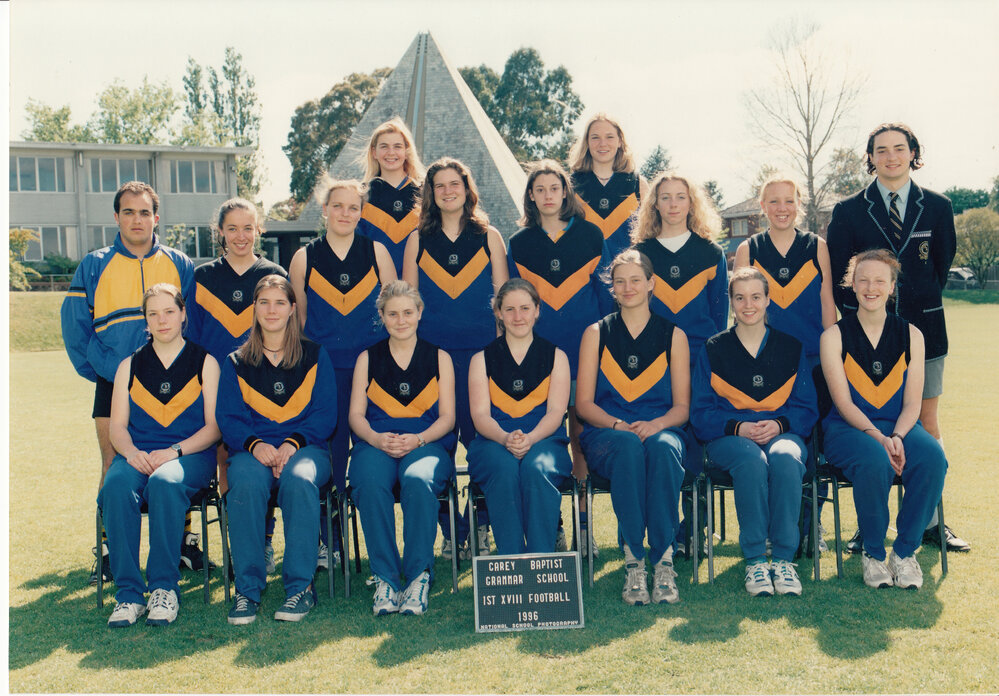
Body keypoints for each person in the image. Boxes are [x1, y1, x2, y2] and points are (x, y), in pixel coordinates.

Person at [826, 122, 968, 552]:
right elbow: (838, 279)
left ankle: (928, 522)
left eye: (899, 149)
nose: (891, 157)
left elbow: (939, 267)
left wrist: (911, 310)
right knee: (870, 431)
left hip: (924, 332)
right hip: (864, 342)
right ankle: (868, 523)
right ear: (870, 157)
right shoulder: (849, 210)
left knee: (924, 426)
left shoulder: (939, 207)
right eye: (881, 150)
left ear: (913, 153)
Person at [61, 181, 205, 585]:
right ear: (116, 217)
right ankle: (108, 550)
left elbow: (190, 321)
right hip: (114, 381)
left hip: (175, 382)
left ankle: (182, 542)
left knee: (173, 462)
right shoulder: (94, 263)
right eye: (128, 212)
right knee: (114, 463)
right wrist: (105, 372)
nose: (137, 219)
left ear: (156, 218)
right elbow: (75, 329)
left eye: (144, 212)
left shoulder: (178, 261)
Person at [819, 250, 947, 590]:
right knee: (876, 460)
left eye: (879, 280)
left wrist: (900, 437)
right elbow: (843, 403)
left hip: (900, 426)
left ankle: (904, 553)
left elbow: (912, 403)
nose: (870, 287)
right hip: (848, 429)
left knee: (934, 458)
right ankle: (873, 554)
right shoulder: (834, 336)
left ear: (892, 287)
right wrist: (880, 438)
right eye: (863, 280)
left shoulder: (912, 336)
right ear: (851, 285)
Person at [402, 157, 508, 558]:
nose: (448, 192)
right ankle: (452, 531)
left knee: (481, 442)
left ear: (467, 189)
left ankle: (481, 526)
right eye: (439, 186)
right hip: (434, 359)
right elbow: (410, 304)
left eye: (454, 184)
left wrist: (498, 355)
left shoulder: (489, 236)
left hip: (482, 356)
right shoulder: (418, 240)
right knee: (440, 444)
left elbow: (501, 302)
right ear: (430, 194)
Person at [691, 267, 817, 597]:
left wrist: (779, 424)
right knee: (751, 460)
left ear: (768, 300)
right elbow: (701, 413)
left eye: (756, 297)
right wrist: (738, 427)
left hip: (782, 433)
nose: (749, 305)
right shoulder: (713, 348)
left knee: (786, 457)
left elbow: (806, 407)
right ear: (731, 302)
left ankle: (784, 559)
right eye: (740, 298)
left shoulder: (790, 347)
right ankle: (756, 560)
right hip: (729, 440)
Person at [290, 178, 396, 568]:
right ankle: (329, 542)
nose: (346, 214)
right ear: (325, 209)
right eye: (338, 206)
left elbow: (392, 315)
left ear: (361, 212)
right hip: (325, 371)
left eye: (353, 207)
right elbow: (300, 321)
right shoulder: (304, 257)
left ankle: (377, 543)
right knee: (329, 454)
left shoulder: (378, 252)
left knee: (370, 452)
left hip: (371, 369)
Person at [217, 275, 336, 625]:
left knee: (300, 481)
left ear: (293, 309)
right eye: (264, 302)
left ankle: (300, 588)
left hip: (306, 449)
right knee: (247, 485)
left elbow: (325, 413)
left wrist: (290, 444)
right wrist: (257, 446)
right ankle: (247, 591)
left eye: (280, 302)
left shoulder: (314, 355)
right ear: (253, 309)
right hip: (252, 453)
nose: (272, 310)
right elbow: (229, 417)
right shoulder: (237, 361)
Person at [100, 284, 220, 627]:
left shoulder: (205, 362)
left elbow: (214, 428)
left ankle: (164, 589)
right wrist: (132, 454)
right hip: (139, 455)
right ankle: (128, 594)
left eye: (169, 311)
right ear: (145, 321)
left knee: (166, 483)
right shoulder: (130, 365)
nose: (162, 320)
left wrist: (174, 451)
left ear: (183, 314)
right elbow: (118, 428)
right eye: (153, 314)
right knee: (117, 485)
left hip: (189, 455)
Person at [576, 250, 690, 605]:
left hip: (660, 427)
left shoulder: (674, 335)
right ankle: (634, 562)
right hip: (608, 433)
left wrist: (656, 424)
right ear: (612, 287)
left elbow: (682, 408)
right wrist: (618, 424)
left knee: (664, 447)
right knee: (627, 447)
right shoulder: (597, 333)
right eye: (620, 281)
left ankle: (664, 559)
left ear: (651, 283)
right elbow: (583, 405)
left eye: (635, 280)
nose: (628, 288)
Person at [734, 175, 836, 553]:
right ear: (762, 207)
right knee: (770, 441)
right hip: (768, 364)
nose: (782, 208)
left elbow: (826, 300)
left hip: (811, 359)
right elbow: (743, 306)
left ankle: (811, 525)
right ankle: (770, 528)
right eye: (773, 202)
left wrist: (831, 351)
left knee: (812, 441)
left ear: (799, 204)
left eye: (789, 201)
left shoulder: (817, 246)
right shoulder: (750, 247)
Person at [188, 198, 286, 573]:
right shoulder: (203, 277)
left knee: (259, 464)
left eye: (248, 227)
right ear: (221, 233)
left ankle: (261, 543)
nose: (241, 236)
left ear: (259, 229)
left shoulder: (273, 272)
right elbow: (194, 338)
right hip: (215, 385)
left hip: (264, 385)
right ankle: (237, 548)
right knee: (226, 467)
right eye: (232, 228)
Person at [631, 172, 727, 554]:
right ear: (654, 203)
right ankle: (663, 529)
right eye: (665, 197)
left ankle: (696, 528)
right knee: (663, 442)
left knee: (697, 440)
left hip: (699, 360)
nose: (672, 204)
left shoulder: (710, 252)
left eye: (680, 197)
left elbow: (719, 316)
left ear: (692, 203)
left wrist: (704, 359)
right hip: (652, 364)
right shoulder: (641, 253)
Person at [348, 281, 456, 616]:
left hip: (426, 442)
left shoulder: (440, 357)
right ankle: (386, 579)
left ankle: (419, 576)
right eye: (392, 314)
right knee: (368, 481)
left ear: (419, 313)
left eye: (408, 312)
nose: (401, 320)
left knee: (418, 480)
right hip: (377, 443)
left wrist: (420, 439)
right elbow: (355, 415)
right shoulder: (368, 358)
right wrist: (377, 439)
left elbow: (448, 417)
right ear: (381, 316)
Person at [507, 160, 613, 501]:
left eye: (554, 188)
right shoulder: (520, 242)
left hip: (585, 352)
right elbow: (515, 302)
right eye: (540, 190)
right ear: (531, 197)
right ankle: (555, 526)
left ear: (565, 192)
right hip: (539, 356)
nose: (548, 195)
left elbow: (606, 295)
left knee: (581, 440)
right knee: (545, 440)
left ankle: (583, 522)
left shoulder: (590, 234)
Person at [467, 278, 572, 555]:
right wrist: (505, 438)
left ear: (537, 310)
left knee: (536, 469)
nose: (518, 316)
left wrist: (531, 438)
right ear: (498, 313)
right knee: (503, 469)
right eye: (509, 309)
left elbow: (555, 413)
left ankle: (539, 559)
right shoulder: (481, 359)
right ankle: (512, 561)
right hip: (493, 441)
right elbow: (479, 415)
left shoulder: (556, 356)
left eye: (525, 308)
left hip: (545, 440)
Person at [569, 113, 648, 258]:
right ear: (587, 143)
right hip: (584, 277)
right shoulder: (570, 186)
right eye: (595, 137)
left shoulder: (638, 185)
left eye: (609, 137)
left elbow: (651, 236)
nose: (602, 143)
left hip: (626, 277)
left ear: (620, 141)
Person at [355, 118, 426, 274]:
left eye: (397, 146)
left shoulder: (425, 195)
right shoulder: (360, 196)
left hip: (420, 289)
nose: (391, 152)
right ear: (374, 152)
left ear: (406, 151)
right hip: (376, 289)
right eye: (384, 146)